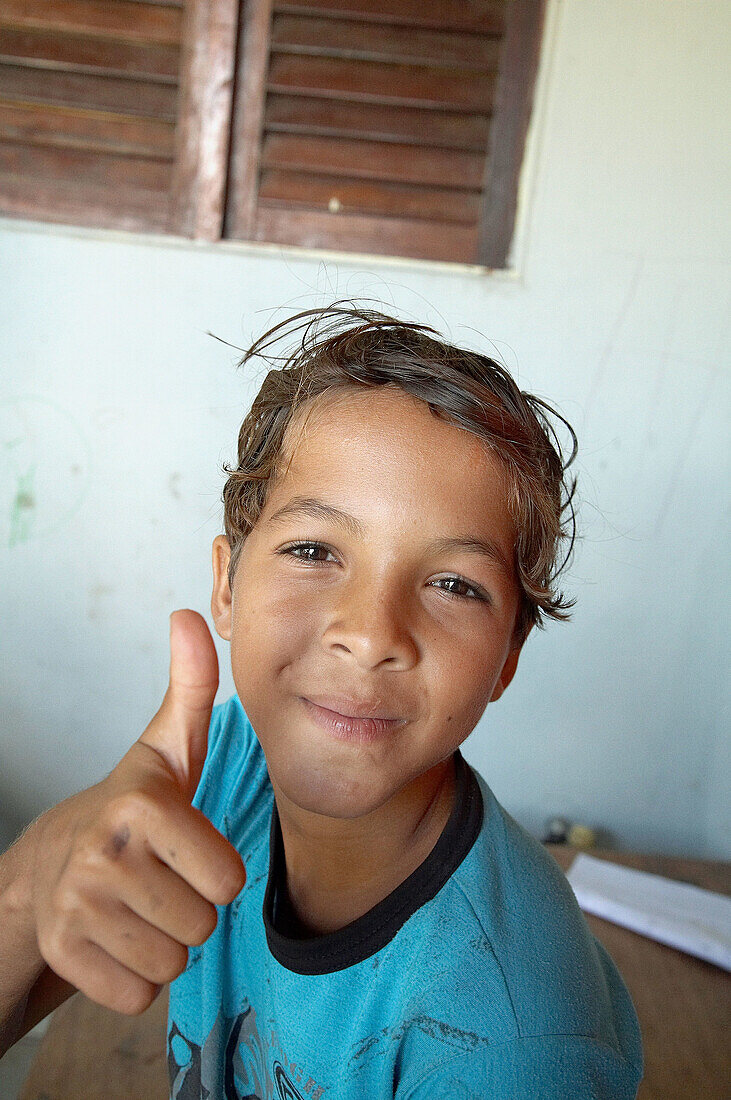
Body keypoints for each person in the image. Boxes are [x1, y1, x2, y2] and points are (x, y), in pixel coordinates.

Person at [0, 304, 643, 1098]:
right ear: (227, 584)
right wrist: (33, 883)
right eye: (313, 550)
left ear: (506, 657)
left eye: (452, 584)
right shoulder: (228, 762)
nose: (371, 635)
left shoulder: (510, 1048)